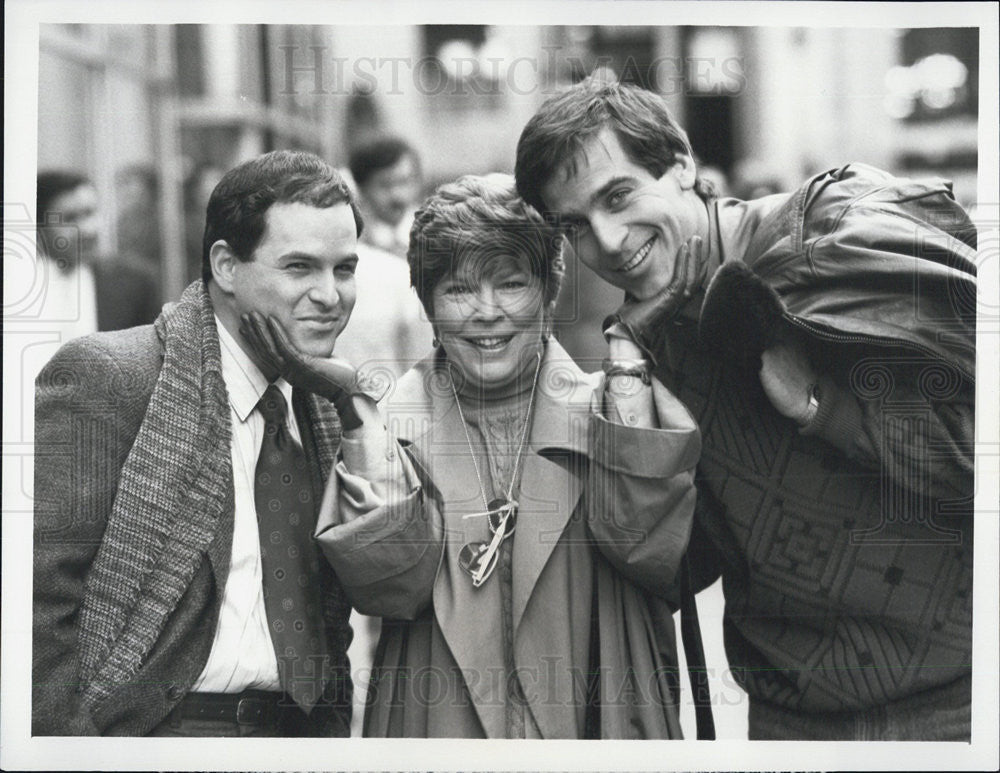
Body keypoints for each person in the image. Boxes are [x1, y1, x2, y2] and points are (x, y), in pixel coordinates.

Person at [514, 79, 976, 741]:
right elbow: (667, 564)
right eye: (576, 225)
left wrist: (826, 408)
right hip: (790, 717)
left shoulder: (832, 240)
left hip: (952, 703)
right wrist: (624, 369)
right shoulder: (644, 347)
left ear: (681, 167)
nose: (609, 241)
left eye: (618, 196)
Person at [241, 173, 703, 739]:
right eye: (459, 290)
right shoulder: (387, 424)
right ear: (427, 305)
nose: (487, 312)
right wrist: (353, 405)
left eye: (511, 283)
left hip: (595, 727)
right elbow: (387, 587)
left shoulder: (613, 413)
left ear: (549, 291)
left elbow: (653, 553)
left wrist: (628, 355)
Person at [32, 150, 375, 736]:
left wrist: (356, 409)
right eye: (299, 267)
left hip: (305, 734)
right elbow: (36, 602)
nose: (329, 294)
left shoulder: (322, 401)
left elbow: (369, 588)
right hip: (161, 733)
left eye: (343, 269)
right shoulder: (112, 378)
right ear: (225, 266)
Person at [35, 170, 159, 339]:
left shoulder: (135, 282)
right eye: (69, 219)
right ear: (40, 228)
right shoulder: (17, 286)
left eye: (90, 213)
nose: (87, 230)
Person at [348, 135, 422, 259]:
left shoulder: (436, 236)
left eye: (403, 182)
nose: (396, 195)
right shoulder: (353, 244)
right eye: (385, 185)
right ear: (362, 189)